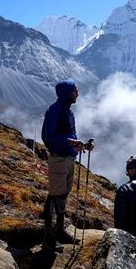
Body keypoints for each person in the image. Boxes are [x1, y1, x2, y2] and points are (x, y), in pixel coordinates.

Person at [40, 79, 94, 251]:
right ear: (67, 93)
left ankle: (59, 231)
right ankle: (49, 238)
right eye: (74, 91)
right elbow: (48, 136)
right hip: (59, 158)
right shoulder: (55, 110)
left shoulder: (68, 112)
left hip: (69, 158)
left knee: (62, 194)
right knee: (55, 195)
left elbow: (70, 136)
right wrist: (71, 142)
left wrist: (82, 145)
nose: (77, 94)